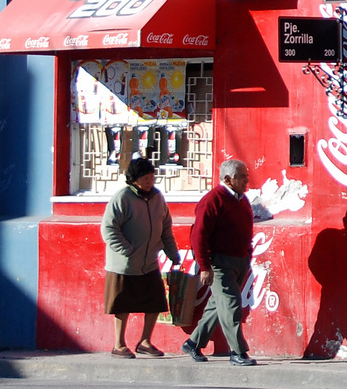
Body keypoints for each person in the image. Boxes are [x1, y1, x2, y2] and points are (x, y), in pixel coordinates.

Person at [100, 156, 179, 358]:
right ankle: (118, 344)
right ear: (134, 179)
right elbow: (109, 229)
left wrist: (172, 253)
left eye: (152, 176)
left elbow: (166, 229)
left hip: (149, 264)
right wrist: (127, 249)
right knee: (122, 305)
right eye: (145, 177)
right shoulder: (122, 198)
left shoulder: (158, 198)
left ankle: (145, 342)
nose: (149, 181)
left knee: (155, 303)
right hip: (124, 265)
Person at [183, 158, 257, 366]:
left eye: (246, 176)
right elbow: (199, 236)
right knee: (231, 305)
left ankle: (193, 343)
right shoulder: (212, 201)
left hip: (240, 260)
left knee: (218, 305)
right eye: (242, 177)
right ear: (228, 179)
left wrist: (247, 255)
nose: (246, 180)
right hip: (219, 263)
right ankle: (238, 352)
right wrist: (204, 267)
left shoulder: (241, 199)